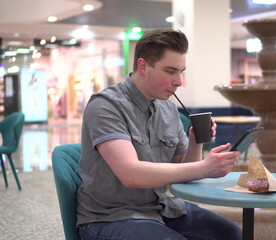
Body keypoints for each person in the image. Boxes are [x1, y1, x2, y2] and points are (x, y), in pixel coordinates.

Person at [76, 28, 242, 240]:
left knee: (232, 234)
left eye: (181, 72)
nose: (179, 82)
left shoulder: (168, 109)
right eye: (170, 71)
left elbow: (183, 172)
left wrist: (195, 141)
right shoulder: (106, 106)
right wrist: (205, 167)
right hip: (110, 217)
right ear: (143, 66)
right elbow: (130, 174)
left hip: (162, 209)